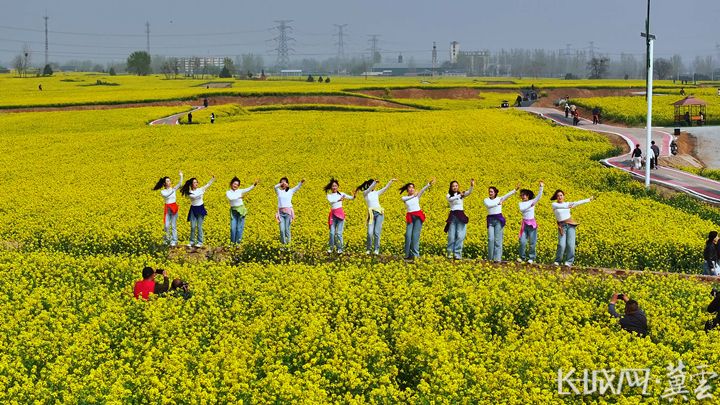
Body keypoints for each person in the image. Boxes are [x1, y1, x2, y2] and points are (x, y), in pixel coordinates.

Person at [550, 190, 593, 266]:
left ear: (564, 196)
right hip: (562, 226)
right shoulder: (554, 204)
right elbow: (561, 206)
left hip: (570, 225)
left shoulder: (567, 204)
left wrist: (588, 200)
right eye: (558, 196)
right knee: (561, 245)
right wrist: (568, 206)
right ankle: (557, 261)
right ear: (556, 197)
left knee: (570, 245)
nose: (560, 197)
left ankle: (569, 262)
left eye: (561, 195)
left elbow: (578, 203)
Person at [356, 178, 396, 255]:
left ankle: (376, 249)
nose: (373, 186)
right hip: (371, 214)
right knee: (369, 233)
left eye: (374, 185)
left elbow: (385, 188)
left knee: (377, 233)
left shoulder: (376, 193)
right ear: (368, 185)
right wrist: (374, 182)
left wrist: (390, 181)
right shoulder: (365, 193)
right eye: (371, 185)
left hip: (379, 213)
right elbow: (369, 189)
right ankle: (368, 249)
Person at [400, 179, 435, 260]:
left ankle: (415, 254)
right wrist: (414, 195)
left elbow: (422, 190)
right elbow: (405, 199)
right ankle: (407, 254)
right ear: (407, 189)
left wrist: (428, 184)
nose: (412, 189)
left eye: (413, 187)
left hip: (418, 216)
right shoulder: (404, 197)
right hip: (410, 217)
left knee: (415, 236)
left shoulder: (417, 196)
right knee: (408, 235)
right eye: (410, 187)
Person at [484, 184, 519, 262]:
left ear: (495, 192)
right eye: (489, 192)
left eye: (491, 192)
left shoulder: (500, 199)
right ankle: (490, 258)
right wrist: (498, 203)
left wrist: (515, 190)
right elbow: (489, 205)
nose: (490, 193)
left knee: (498, 240)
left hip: (498, 220)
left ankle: (497, 258)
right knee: (490, 239)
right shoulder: (486, 200)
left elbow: (507, 195)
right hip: (490, 220)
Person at [181, 175, 215, 248]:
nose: (196, 183)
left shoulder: (200, 189)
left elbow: (208, 185)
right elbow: (194, 196)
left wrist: (212, 179)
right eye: (194, 182)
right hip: (193, 209)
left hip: (200, 208)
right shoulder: (190, 193)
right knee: (193, 227)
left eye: (197, 182)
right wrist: (202, 192)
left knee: (199, 226)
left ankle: (200, 242)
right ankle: (192, 241)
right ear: (191, 184)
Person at [445, 179, 475, 259]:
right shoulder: (448, 195)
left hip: (461, 216)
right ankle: (449, 253)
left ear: (458, 186)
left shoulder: (461, 194)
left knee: (460, 236)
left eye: (456, 186)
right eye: (453, 186)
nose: (455, 187)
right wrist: (459, 195)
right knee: (451, 236)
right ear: (451, 187)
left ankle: (457, 254)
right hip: (452, 216)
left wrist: (472, 186)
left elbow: (469, 192)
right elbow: (451, 199)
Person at [153, 171, 184, 247]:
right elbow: (166, 195)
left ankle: (174, 240)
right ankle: (166, 240)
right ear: (164, 183)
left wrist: (181, 175)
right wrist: (173, 190)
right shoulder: (163, 191)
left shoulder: (173, 189)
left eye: (169, 181)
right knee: (166, 226)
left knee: (173, 225)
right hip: (167, 208)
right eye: (167, 181)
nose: (169, 182)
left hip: (174, 207)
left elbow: (180, 183)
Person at [324, 178, 355, 254]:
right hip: (333, 215)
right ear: (331, 187)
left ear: (338, 186)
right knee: (332, 233)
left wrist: (354, 195)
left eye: (335, 186)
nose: (334, 187)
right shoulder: (329, 195)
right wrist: (339, 199)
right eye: (333, 186)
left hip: (340, 215)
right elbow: (331, 201)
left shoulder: (341, 194)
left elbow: (351, 198)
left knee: (339, 233)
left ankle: (340, 248)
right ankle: (331, 248)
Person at [517, 181, 544, 264]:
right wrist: (530, 205)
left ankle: (531, 258)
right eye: (521, 195)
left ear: (528, 195)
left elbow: (539, 196)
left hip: (532, 224)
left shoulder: (532, 201)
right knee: (522, 241)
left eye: (524, 195)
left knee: (532, 242)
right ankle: (522, 257)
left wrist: (541, 187)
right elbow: (522, 209)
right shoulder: (521, 203)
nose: (523, 196)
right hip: (524, 224)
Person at [226, 177, 258, 244]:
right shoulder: (228, 192)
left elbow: (248, 189)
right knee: (232, 228)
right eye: (234, 184)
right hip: (234, 211)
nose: (235, 185)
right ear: (231, 184)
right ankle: (232, 243)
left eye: (237, 185)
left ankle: (238, 243)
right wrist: (239, 197)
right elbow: (230, 198)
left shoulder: (240, 191)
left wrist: (254, 185)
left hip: (241, 210)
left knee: (239, 228)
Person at [274, 177, 305, 246]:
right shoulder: (279, 191)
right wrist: (281, 184)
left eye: (284, 182)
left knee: (287, 230)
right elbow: (275, 187)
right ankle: (283, 245)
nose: (283, 183)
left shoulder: (290, 191)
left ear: (287, 183)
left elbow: (297, 187)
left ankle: (289, 245)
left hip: (288, 213)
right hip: (280, 213)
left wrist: (301, 182)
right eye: (281, 182)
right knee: (282, 230)